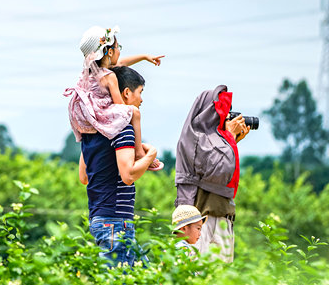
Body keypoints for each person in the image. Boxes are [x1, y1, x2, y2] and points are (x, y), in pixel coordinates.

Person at [78, 66, 157, 267]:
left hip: (99, 219)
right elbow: (128, 175)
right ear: (127, 93)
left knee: (146, 276)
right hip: (115, 221)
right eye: (140, 93)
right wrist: (151, 155)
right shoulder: (122, 130)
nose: (141, 100)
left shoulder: (92, 130)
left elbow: (84, 177)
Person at [65, 25, 165, 171]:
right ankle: (138, 152)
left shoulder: (91, 71)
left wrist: (144, 57)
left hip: (89, 114)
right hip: (102, 112)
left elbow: (121, 63)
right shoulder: (110, 76)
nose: (119, 52)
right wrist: (127, 112)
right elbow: (120, 105)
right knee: (134, 113)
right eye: (118, 48)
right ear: (110, 51)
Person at [175, 85, 251, 262]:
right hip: (202, 220)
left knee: (221, 281)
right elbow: (218, 169)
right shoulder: (194, 138)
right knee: (200, 275)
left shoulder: (216, 141)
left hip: (223, 216)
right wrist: (229, 138)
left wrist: (232, 142)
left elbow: (222, 172)